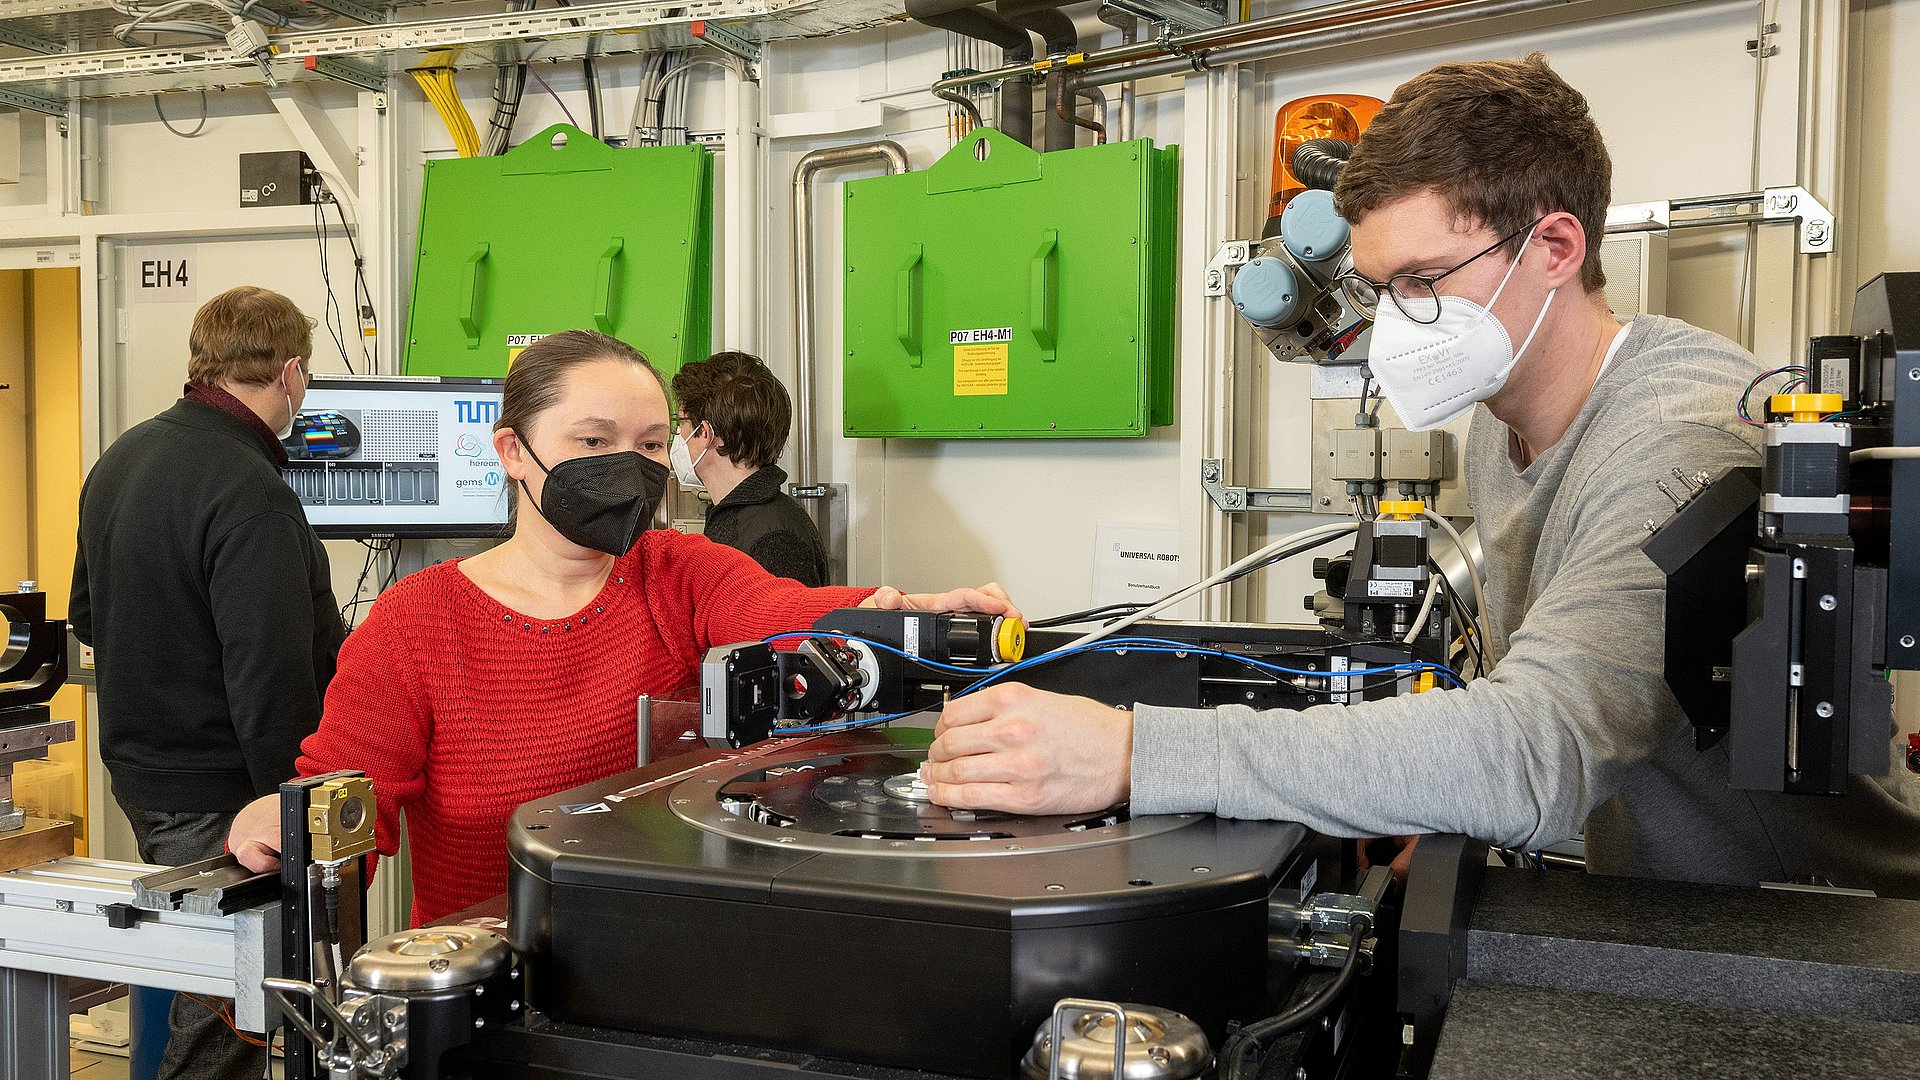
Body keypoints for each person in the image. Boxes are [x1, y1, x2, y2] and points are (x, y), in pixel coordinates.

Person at [920, 54, 1920, 898]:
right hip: (1653, 897)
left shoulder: (1677, 435)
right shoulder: (1506, 415)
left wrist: (1136, 752)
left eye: (1420, 283)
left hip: (1809, 935)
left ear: (1555, 247)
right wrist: (1419, 797)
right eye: (1380, 285)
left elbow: (1546, 752)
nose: (1390, 324)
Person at [229, 330, 1017, 926]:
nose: (629, 468)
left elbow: (777, 609)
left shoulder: (674, 571)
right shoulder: (418, 620)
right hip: (497, 992)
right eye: (594, 442)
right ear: (512, 451)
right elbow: (347, 797)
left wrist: (896, 614)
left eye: (648, 446)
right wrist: (287, 825)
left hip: (663, 956)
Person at [71, 285, 346, 1078]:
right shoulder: (249, 489)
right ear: (290, 373)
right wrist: (291, 808)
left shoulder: (121, 458)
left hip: (144, 774)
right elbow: (269, 674)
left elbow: (89, 612)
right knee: (232, 1011)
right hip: (226, 786)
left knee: (196, 976)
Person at [670, 350, 830, 585]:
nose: (678, 435)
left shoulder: (775, 542)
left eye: (681, 423)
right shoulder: (737, 516)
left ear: (705, 433)